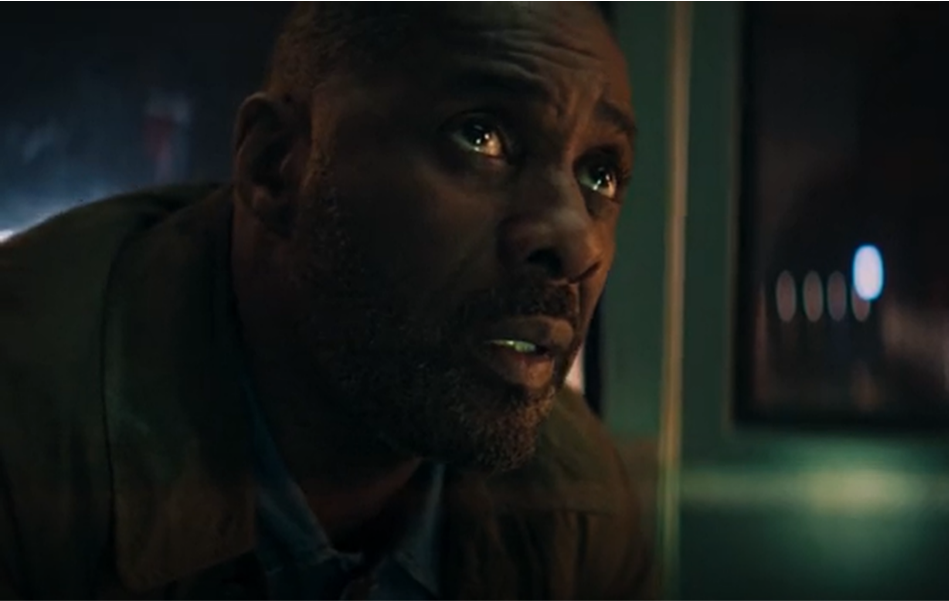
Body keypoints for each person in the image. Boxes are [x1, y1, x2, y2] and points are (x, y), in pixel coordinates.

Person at [0, 1, 656, 600]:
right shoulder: (26, 435)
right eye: (480, 135)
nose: (576, 241)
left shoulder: (576, 503)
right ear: (276, 165)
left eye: (599, 173)